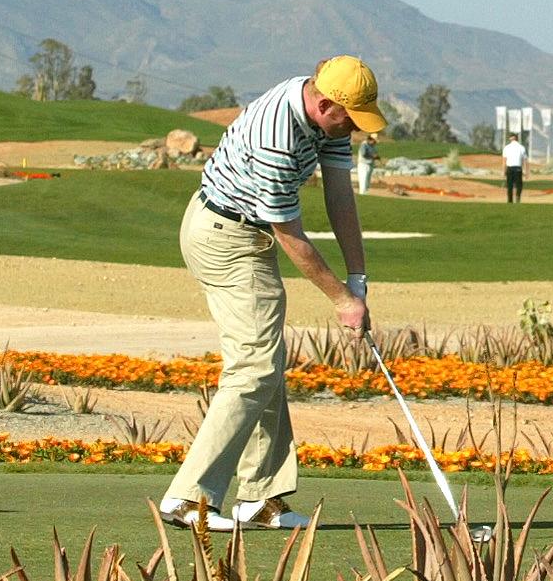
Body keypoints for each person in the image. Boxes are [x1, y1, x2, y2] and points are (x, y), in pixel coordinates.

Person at [157, 56, 384, 533]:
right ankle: (187, 499)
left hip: (245, 235)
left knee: (264, 362)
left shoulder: (329, 125)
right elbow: (289, 232)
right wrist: (342, 300)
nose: (355, 130)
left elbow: (339, 195)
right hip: (224, 235)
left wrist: (358, 276)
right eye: (350, 119)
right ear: (324, 104)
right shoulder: (275, 137)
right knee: (255, 365)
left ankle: (260, 498)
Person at [501, 131, 527, 204]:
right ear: (517, 138)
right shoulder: (522, 147)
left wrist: (503, 172)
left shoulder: (506, 148)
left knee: (509, 185)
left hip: (510, 168)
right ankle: (518, 197)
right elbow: (525, 161)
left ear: (510, 138)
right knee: (519, 185)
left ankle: (510, 200)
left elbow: (504, 161)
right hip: (518, 168)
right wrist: (526, 171)